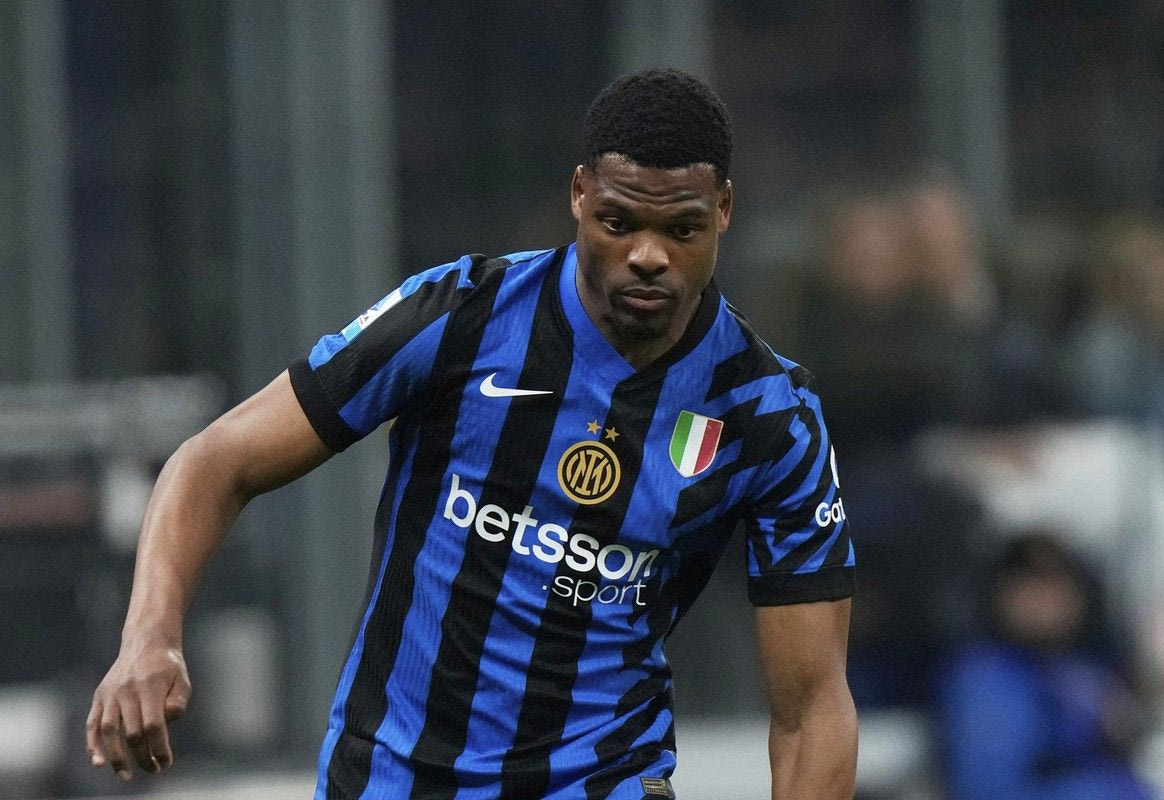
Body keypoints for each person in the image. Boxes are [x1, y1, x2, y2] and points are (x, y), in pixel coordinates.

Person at [86, 69, 857, 800]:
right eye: (619, 223)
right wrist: (150, 636)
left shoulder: (768, 417)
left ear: (724, 209)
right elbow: (216, 459)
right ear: (578, 195)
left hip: (599, 780)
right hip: (391, 776)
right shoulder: (462, 316)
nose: (648, 256)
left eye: (681, 228)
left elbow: (813, 711)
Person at [938, 532, 1154, 800]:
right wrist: (1111, 790)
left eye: (1057, 585)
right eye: (1029, 585)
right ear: (1000, 594)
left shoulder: (1080, 669)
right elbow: (990, 790)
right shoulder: (983, 678)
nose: (1045, 601)